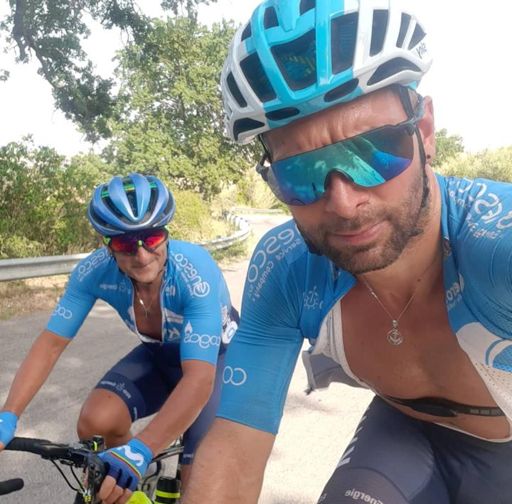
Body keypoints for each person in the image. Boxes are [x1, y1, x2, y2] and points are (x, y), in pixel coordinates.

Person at [184, 1, 512, 503]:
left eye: (372, 151)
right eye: (300, 172)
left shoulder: (496, 241)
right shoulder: (286, 269)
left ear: (424, 132)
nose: (343, 203)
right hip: (403, 435)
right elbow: (234, 448)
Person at [0, 172, 238, 503]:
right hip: (159, 356)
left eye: (152, 238)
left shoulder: (196, 273)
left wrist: (141, 449)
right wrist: (8, 415)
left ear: (166, 234)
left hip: (218, 362)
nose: (142, 255)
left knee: (198, 483)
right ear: (108, 245)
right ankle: (134, 491)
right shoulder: (93, 272)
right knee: (96, 422)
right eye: (126, 244)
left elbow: (199, 379)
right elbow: (50, 345)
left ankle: (146, 466)